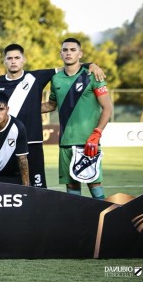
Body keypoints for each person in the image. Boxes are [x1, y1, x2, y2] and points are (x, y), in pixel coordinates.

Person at [0, 44, 106, 189]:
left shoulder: (36, 77)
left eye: (17, 58)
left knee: (38, 187)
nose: (13, 61)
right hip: (3, 142)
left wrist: (90, 65)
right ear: (4, 61)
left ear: (24, 60)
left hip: (32, 142)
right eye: (9, 58)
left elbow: (68, 67)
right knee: (8, 187)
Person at [41, 38, 112, 199]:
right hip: (65, 141)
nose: (68, 53)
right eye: (65, 50)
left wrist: (97, 133)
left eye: (73, 50)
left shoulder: (92, 75)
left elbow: (107, 108)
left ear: (80, 54)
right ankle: (78, 222)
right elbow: (50, 106)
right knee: (71, 185)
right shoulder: (56, 79)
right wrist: (25, 108)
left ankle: (107, 219)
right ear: (60, 54)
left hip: (88, 141)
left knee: (94, 183)